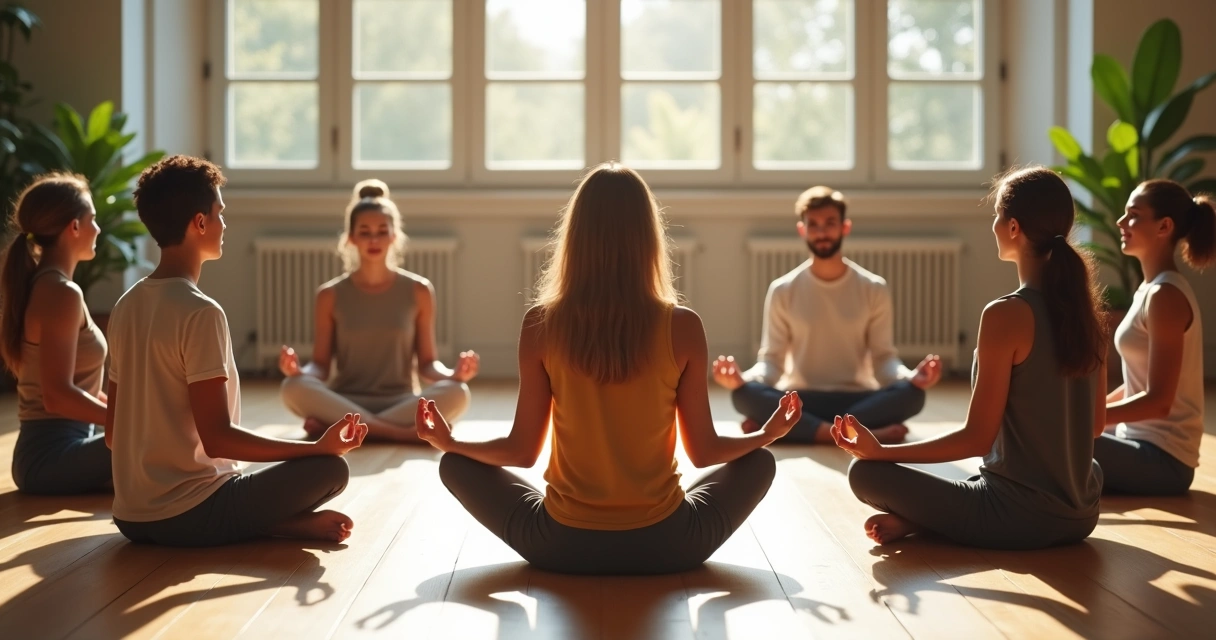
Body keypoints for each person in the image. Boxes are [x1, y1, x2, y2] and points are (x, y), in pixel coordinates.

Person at [416, 163, 802, 575]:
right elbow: (704, 450)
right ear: (649, 239)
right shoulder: (683, 326)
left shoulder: (540, 323)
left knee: (454, 464)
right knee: (759, 461)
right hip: (668, 544)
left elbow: (521, 451)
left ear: (575, 237)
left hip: (561, 545)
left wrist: (450, 441)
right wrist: (768, 434)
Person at [835, 166, 1107, 549]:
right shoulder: (1089, 313)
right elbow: (1095, 426)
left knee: (864, 473)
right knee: (1030, 470)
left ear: (1013, 227)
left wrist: (881, 451)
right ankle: (922, 522)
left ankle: (926, 519)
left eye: (997, 215)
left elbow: (976, 439)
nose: (993, 225)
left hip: (1020, 518)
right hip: (1082, 515)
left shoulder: (1005, 314)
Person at [106, 155, 367, 547]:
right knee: (331, 469)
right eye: (219, 214)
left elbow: (112, 434)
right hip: (189, 512)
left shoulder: (125, 305)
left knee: (307, 468)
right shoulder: (200, 312)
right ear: (199, 223)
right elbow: (219, 440)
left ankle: (267, 522)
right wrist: (314, 447)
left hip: (130, 517)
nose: (224, 224)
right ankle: (275, 523)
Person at [713, 186, 941, 444]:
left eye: (830, 223)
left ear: (845, 227)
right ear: (802, 230)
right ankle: (847, 433)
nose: (822, 232)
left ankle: (793, 430)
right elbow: (772, 362)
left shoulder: (873, 287)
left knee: (913, 395)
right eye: (814, 224)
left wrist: (912, 377)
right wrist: (740, 379)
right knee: (743, 394)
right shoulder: (783, 290)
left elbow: (883, 359)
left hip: (858, 398)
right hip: (800, 398)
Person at [279, 180, 477, 443]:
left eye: (382, 231)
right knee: (292, 387)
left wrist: (455, 374)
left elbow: (428, 364)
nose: (374, 239)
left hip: (400, 400)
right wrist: (298, 372)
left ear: (394, 236)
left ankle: (344, 427)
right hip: (346, 399)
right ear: (351, 238)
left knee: (458, 392)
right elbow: (321, 366)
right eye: (365, 231)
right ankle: (401, 434)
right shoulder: (329, 295)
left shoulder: (419, 290)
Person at [1098, 179, 1213, 495]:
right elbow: (1138, 385)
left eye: (1133, 214)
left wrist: (1088, 420)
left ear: (1164, 226)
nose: (1121, 222)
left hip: (1164, 461)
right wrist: (1084, 411)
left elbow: (1159, 401)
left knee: (1045, 440)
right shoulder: (1149, 290)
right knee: (1045, 433)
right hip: (1134, 443)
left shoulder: (1166, 296)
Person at [1, 173, 111, 494]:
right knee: (166, 440)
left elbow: (78, 386)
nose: (98, 229)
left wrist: (131, 409)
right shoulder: (60, 292)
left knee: (166, 439)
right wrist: (130, 423)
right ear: (74, 227)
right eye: (92, 219)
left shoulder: (53, 287)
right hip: (49, 458)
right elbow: (57, 396)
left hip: (66, 448)